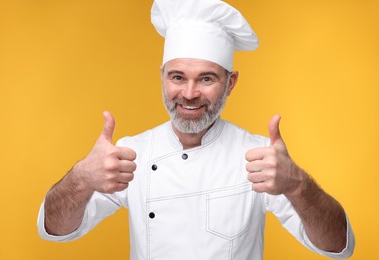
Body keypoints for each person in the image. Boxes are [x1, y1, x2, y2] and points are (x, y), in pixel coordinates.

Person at [37, 0, 355, 259]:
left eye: (206, 78)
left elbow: (338, 245)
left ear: (230, 83)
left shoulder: (260, 158)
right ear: (162, 77)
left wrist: (298, 185)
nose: (189, 93)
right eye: (177, 77)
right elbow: (55, 229)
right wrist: (80, 177)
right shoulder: (132, 153)